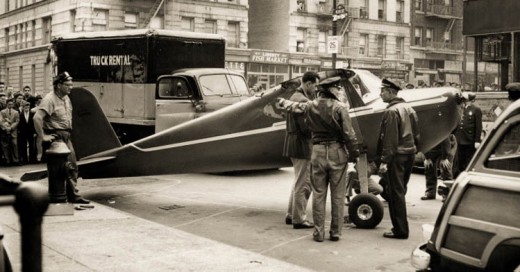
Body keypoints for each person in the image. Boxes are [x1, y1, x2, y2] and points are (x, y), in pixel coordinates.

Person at [278, 78, 360, 242]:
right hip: (337, 152)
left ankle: (318, 233)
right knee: (337, 196)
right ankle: (335, 232)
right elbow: (349, 134)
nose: (339, 91)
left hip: (317, 152)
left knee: (318, 194)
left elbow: (293, 106)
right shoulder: (340, 108)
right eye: (337, 89)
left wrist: (282, 101)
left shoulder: (310, 106)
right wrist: (354, 154)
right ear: (330, 90)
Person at [33, 72, 90, 204]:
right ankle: (61, 197)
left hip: (66, 135)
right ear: (59, 85)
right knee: (62, 168)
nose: (71, 87)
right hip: (56, 136)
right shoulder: (50, 99)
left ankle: (72, 195)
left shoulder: (65, 97)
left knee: (72, 166)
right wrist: (43, 136)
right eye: (68, 85)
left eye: (71, 85)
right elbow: (37, 118)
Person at [376, 78, 420, 240]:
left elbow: (390, 140)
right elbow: (417, 134)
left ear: (390, 92)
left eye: (383, 91)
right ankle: (400, 228)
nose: (380, 94)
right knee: (400, 191)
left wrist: (384, 161)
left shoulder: (391, 111)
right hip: (410, 154)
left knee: (396, 193)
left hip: (397, 156)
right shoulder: (408, 108)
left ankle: (400, 230)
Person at [283, 71, 320, 229]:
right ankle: (299, 219)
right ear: (309, 83)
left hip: (293, 142)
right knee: (304, 183)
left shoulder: (295, 97)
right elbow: (307, 127)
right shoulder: (303, 100)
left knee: (298, 180)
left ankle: (292, 214)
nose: (316, 88)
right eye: (315, 85)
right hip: (302, 144)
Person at [453, 92, 482, 178]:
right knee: (460, 161)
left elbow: (478, 126)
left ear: (470, 100)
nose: (464, 101)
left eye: (465, 99)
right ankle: (459, 176)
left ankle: (468, 177)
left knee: (469, 161)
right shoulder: (461, 108)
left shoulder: (476, 109)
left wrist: (477, 140)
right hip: (460, 139)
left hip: (470, 140)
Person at [421, 136, 452, 200]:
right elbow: (423, 141)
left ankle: (447, 193)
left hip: (446, 144)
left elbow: (445, 139)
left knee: (445, 167)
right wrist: (427, 157)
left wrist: (445, 157)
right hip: (432, 146)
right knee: (429, 166)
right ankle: (430, 192)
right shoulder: (426, 128)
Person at [0, 99, 20, 166]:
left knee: (14, 145)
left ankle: (15, 160)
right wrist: (6, 128)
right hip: (5, 132)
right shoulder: (2, 112)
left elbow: (17, 121)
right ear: (6, 104)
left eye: (11, 104)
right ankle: (7, 160)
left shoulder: (16, 112)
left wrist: (11, 128)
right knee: (5, 146)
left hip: (13, 131)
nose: (10, 105)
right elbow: (1, 121)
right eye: (9, 104)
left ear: (13, 104)